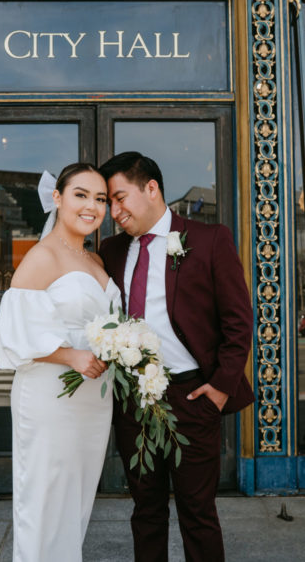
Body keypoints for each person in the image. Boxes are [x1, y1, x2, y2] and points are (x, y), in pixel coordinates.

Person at [98, 152, 254, 562]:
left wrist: (220, 388)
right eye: (108, 202)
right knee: (145, 512)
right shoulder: (111, 251)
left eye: (119, 198)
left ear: (151, 189)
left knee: (198, 512)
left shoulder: (209, 239)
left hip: (193, 397)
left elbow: (239, 322)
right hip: (134, 404)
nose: (113, 212)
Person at [0, 163, 120, 562]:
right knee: (45, 497)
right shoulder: (42, 257)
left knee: (77, 497)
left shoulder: (96, 260)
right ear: (58, 198)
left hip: (92, 399)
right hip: (51, 395)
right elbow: (12, 333)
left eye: (100, 199)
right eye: (81, 195)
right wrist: (72, 355)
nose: (92, 206)